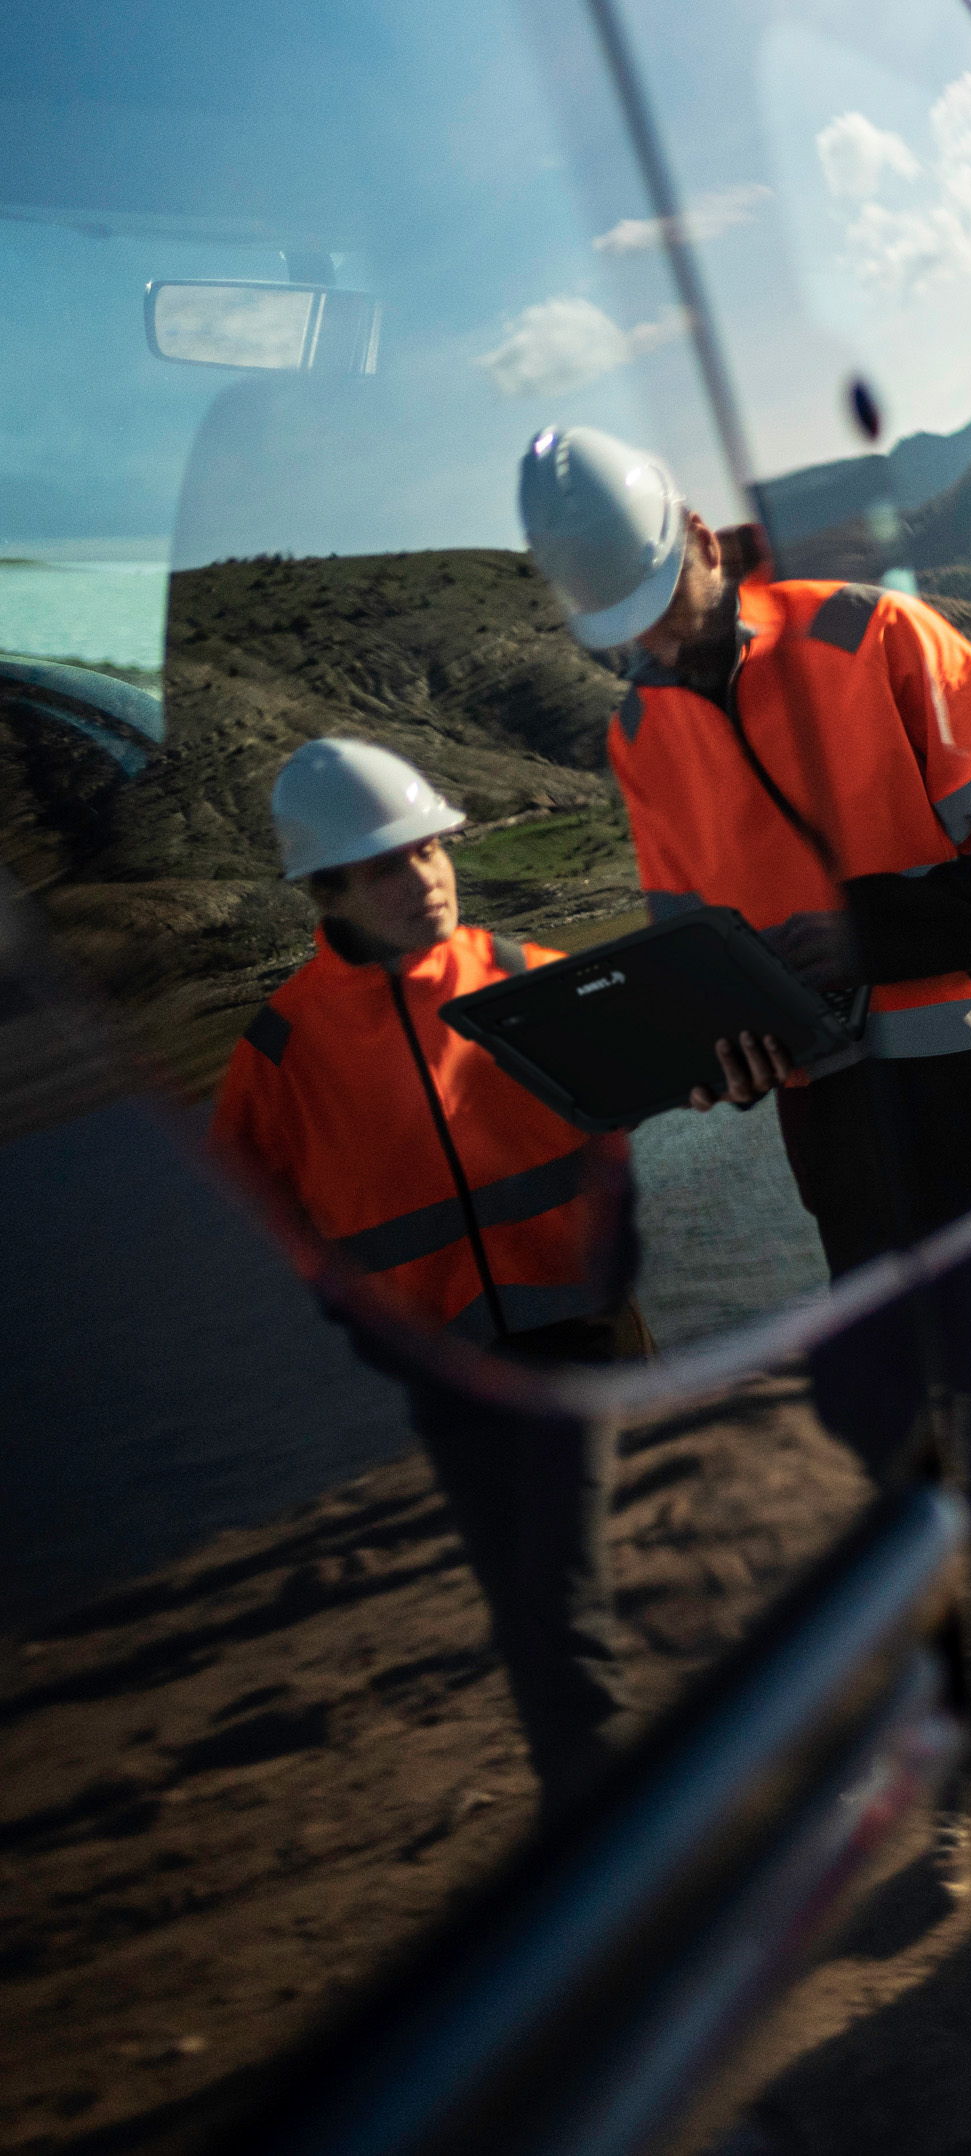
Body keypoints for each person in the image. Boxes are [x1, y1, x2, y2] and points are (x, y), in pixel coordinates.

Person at [520, 424, 971, 1699]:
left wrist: (864, 935)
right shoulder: (638, 735)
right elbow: (695, 955)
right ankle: (943, 1686)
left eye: (659, 613)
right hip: (837, 1132)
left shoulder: (877, 639)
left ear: (708, 546)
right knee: (894, 1430)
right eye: (619, 633)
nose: (651, 651)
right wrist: (716, 1054)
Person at [211, 736, 638, 1799]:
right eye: (392, 865)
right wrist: (346, 1306)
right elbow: (240, 1212)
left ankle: (633, 1833)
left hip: (586, 1341)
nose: (427, 879)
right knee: (528, 1601)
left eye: (433, 851)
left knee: (574, 1595)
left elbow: (631, 1109)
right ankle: (590, 1814)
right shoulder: (280, 1052)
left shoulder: (524, 979)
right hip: (447, 1372)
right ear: (329, 890)